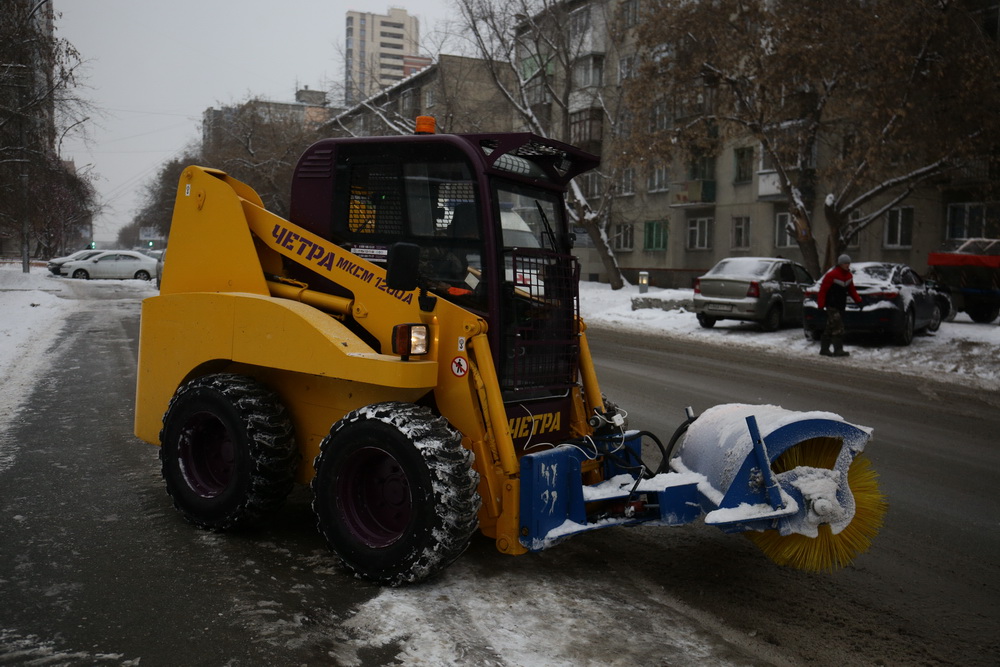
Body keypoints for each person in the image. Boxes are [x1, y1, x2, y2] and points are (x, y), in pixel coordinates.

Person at [817, 254, 862, 357]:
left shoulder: (848, 276)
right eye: (845, 263)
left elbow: (851, 290)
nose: (847, 265)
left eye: (848, 263)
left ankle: (824, 349)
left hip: (841, 305)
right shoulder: (831, 275)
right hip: (831, 305)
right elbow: (823, 291)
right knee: (838, 327)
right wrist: (821, 305)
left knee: (830, 327)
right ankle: (838, 350)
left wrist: (858, 301)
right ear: (840, 264)